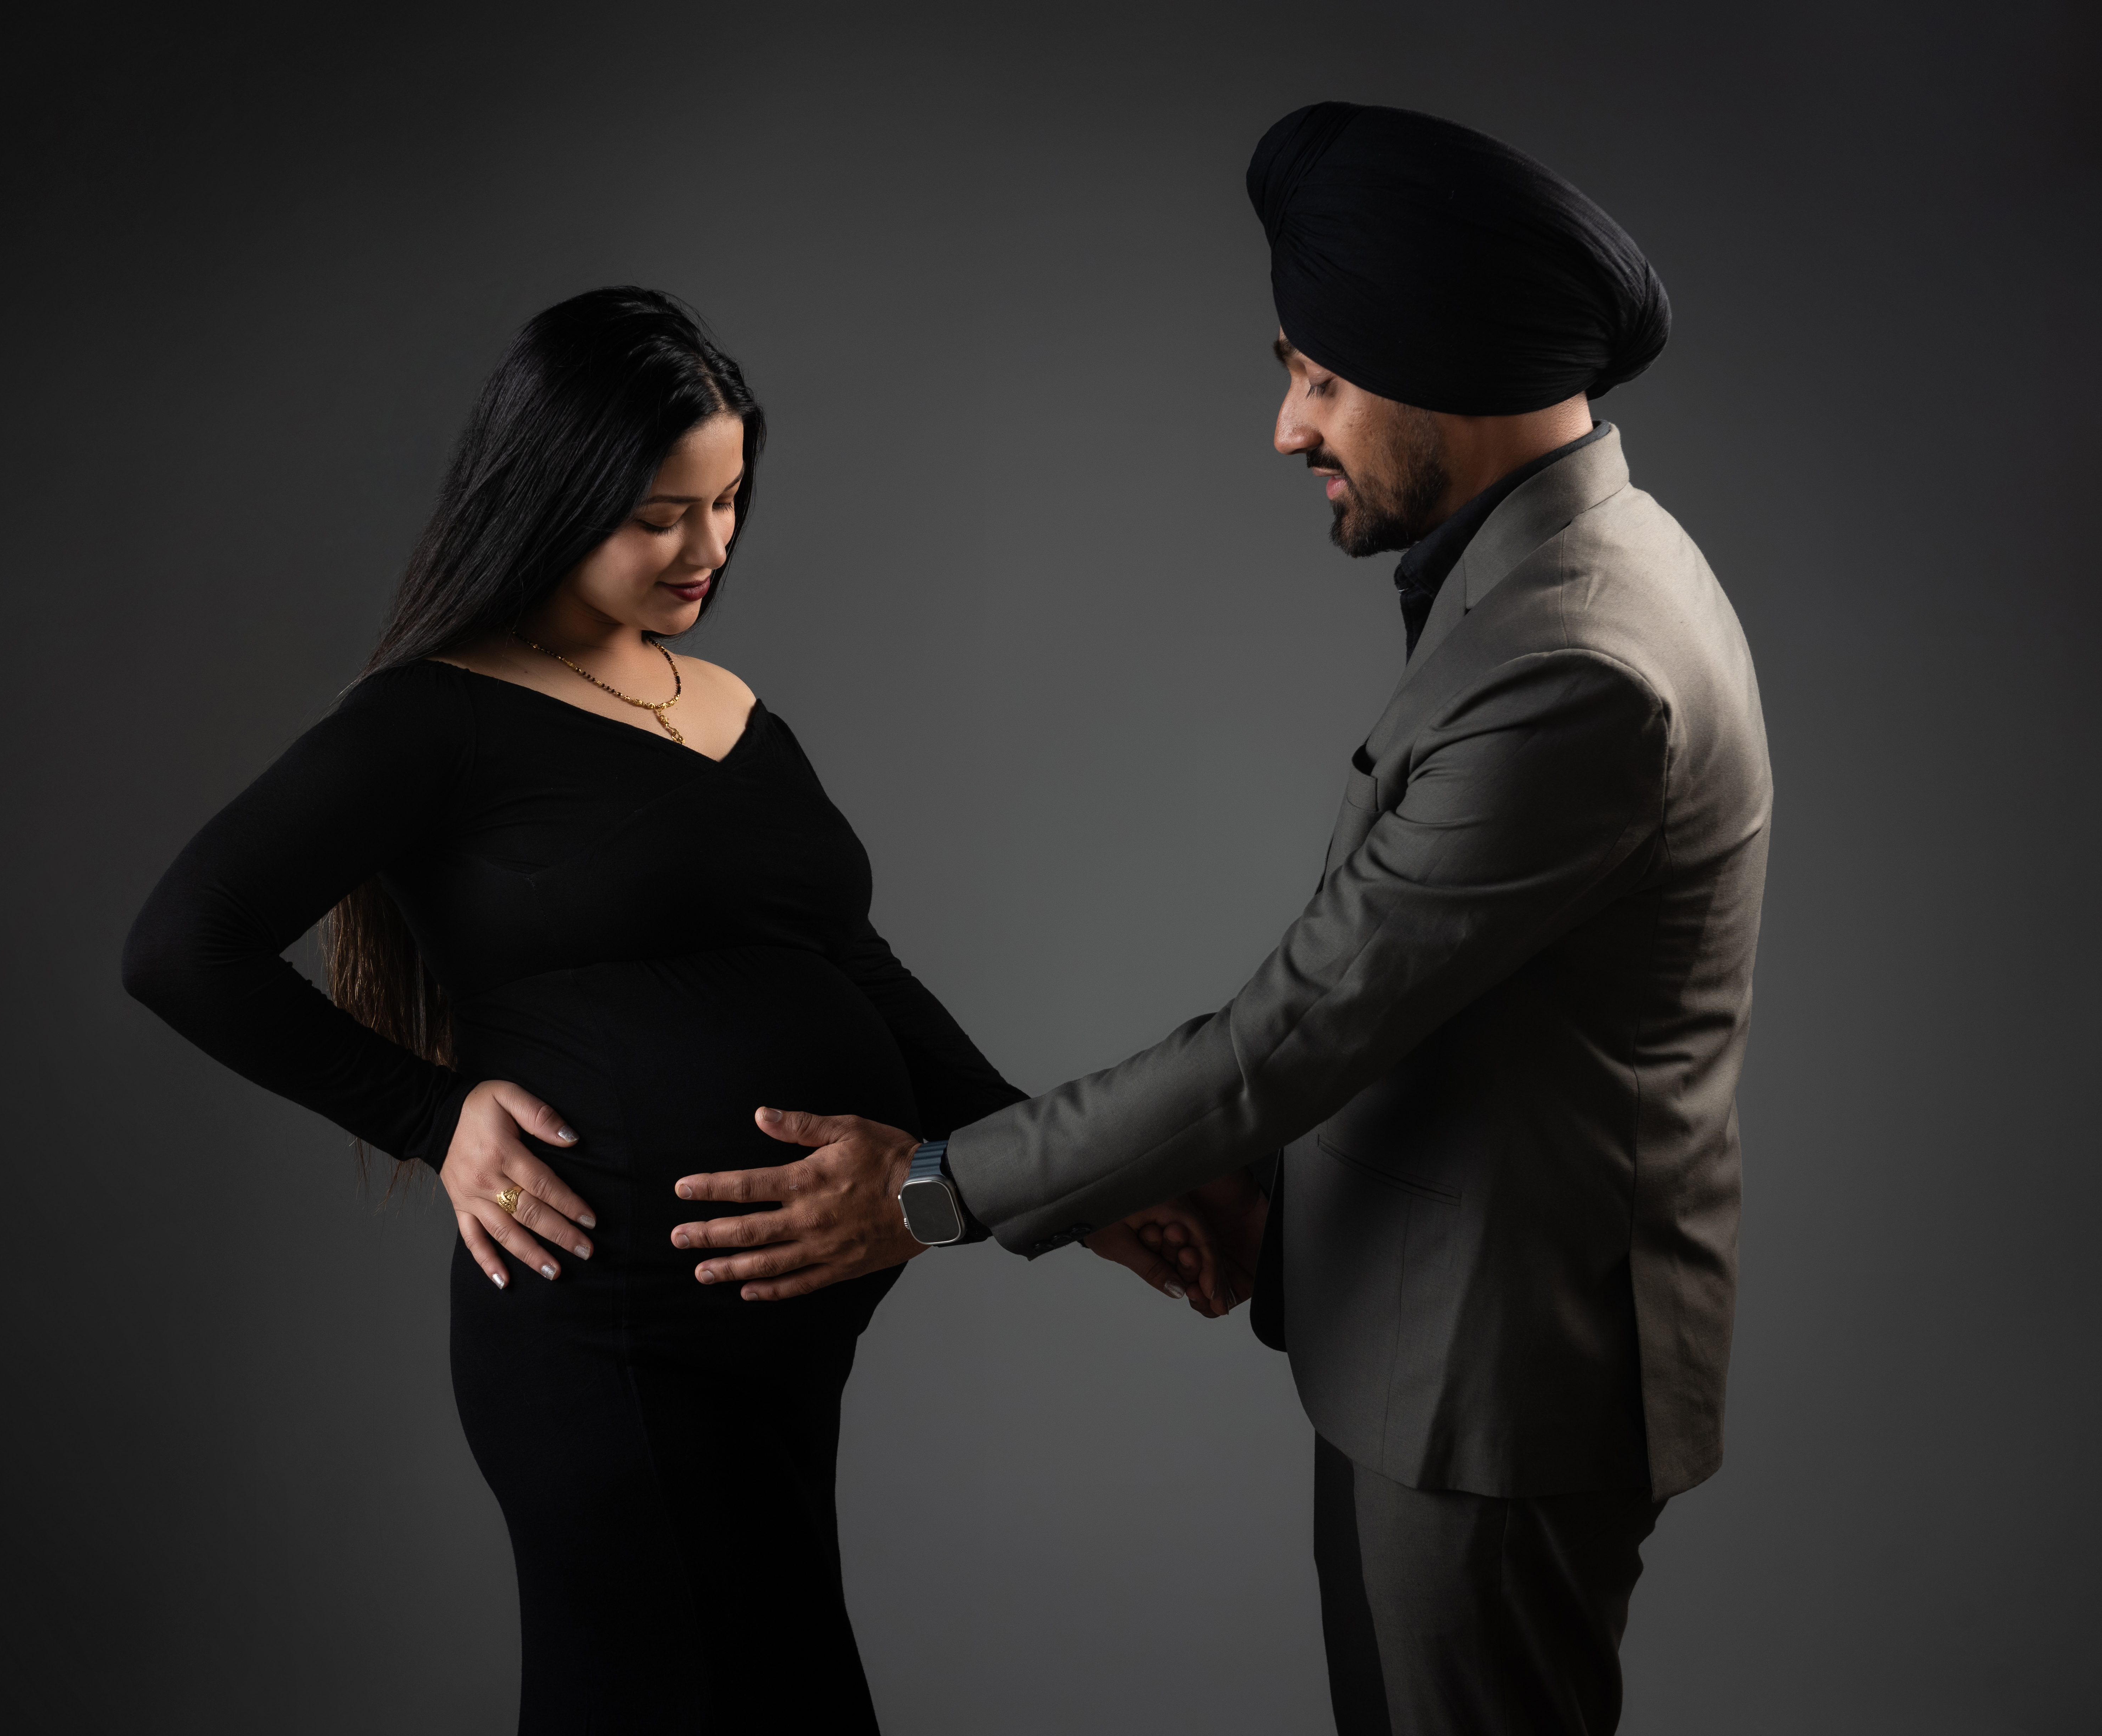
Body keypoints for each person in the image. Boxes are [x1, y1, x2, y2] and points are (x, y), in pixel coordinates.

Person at [668, 104, 1771, 1735]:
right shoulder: (1579, 568)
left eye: (1320, 375)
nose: (1284, 426)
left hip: (1491, 1399)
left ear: (1446, 367)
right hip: (1440, 1344)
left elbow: (1294, 1034)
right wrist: (1249, 1205)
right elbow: (1442, 1018)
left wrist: (925, 1194)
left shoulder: (1571, 669)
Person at [119, 287, 1024, 1735]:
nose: (710, 548)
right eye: (663, 513)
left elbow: (853, 973)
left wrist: (1063, 1174)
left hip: (769, 1363)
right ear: (557, 494)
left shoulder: (728, 710)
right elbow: (180, 944)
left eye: (730, 502)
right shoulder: (437, 718)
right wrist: (432, 1116)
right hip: (608, 1348)